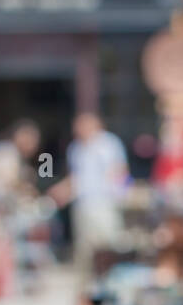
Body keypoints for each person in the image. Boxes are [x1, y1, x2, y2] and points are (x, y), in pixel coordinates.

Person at [54, 112, 129, 283]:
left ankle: (110, 280)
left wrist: (120, 194)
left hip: (104, 202)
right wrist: (62, 191)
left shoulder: (108, 144)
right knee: (86, 249)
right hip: (84, 204)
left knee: (108, 244)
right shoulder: (75, 148)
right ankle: (90, 284)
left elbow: (119, 171)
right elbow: (77, 177)